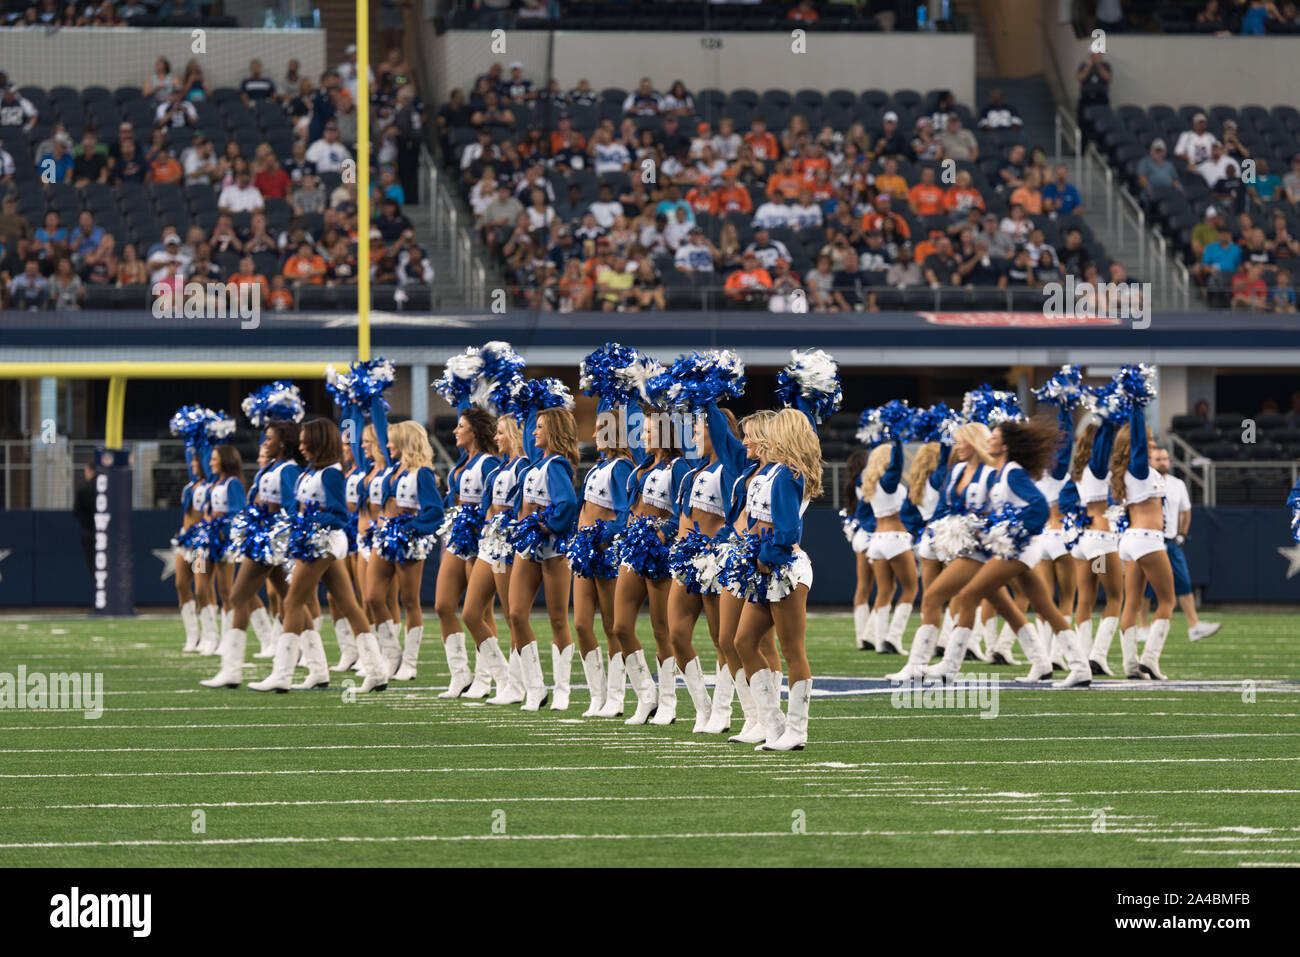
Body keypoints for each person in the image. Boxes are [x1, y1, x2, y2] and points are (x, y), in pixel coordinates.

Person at [251, 419, 379, 693]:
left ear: (318, 442)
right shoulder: (309, 471)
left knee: (293, 600)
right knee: (348, 604)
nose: (300, 446)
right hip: (313, 541)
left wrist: (307, 520)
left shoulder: (332, 473)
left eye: (305, 441)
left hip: (324, 542)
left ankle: (282, 674)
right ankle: (372, 670)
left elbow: (339, 515)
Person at [725, 408, 824, 751]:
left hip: (784, 568)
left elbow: (787, 530)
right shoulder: (771, 472)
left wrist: (766, 558)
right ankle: (773, 723)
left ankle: (797, 730)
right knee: (743, 642)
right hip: (764, 568)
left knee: (792, 650)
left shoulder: (788, 476)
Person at [201, 418, 304, 687]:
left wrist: (275, 538)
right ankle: (315, 665)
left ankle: (232, 670)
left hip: (269, 544)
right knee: (290, 599)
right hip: (261, 540)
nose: (264, 443)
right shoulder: (271, 467)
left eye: (269, 438)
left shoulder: (289, 470)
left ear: (283, 442)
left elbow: (293, 510)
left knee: (237, 596)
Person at [507, 393, 580, 711]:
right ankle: (535, 688)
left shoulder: (557, 465)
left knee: (557, 619)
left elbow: (567, 504)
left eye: (539, 427)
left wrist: (543, 525)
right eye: (533, 426)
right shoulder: (536, 464)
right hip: (529, 548)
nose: (533, 432)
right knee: (515, 614)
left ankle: (562, 690)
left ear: (552, 432)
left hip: (553, 549)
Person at [366, 421, 445, 687]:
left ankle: (409, 662)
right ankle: (392, 655)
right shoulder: (392, 468)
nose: (387, 445)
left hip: (408, 539)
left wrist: (412, 527)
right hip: (384, 536)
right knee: (373, 597)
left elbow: (435, 512)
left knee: (409, 601)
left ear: (404, 443)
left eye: (392, 441)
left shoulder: (421, 473)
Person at [432, 406, 501, 692]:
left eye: (461, 426)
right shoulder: (463, 461)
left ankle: (486, 678)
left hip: (478, 538)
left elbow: (494, 502)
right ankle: (460, 674)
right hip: (458, 536)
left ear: (474, 430)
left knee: (480, 612)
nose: (455, 431)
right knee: (443, 606)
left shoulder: (488, 462)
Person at [1142, 446, 1221, 642]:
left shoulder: (1177, 484)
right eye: (1158, 459)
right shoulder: (1144, 482)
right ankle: (1142, 627)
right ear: (1150, 461)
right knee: (1144, 587)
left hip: (1170, 541)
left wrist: (1182, 534)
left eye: (1165, 459)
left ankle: (1194, 625)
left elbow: (1186, 510)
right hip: (1151, 540)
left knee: (1184, 582)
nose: (1162, 462)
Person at [72, 462, 97, 576]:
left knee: (94, 569)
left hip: (89, 532)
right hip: (107, 534)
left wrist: (86, 522)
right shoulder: (108, 490)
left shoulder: (83, 489)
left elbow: (77, 511)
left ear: (90, 471)